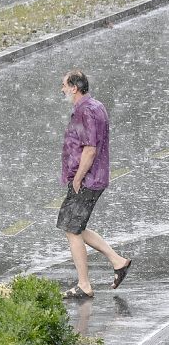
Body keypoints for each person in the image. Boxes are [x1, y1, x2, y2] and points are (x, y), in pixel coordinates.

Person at [57, 70, 131, 299]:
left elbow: (90, 149)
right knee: (74, 225)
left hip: (87, 179)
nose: (62, 90)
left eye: (64, 85)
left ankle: (84, 284)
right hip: (91, 178)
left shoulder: (87, 111)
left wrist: (78, 177)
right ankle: (118, 261)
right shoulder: (94, 106)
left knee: (71, 227)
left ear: (74, 87)